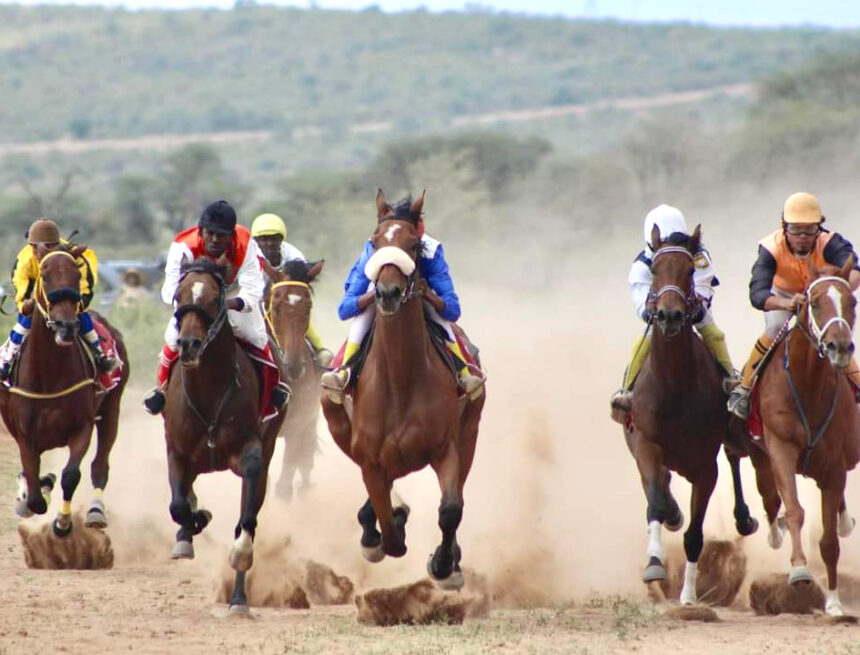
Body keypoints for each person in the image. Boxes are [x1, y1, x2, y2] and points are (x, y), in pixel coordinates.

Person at [320, 194, 483, 403]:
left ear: (416, 235)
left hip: (418, 297)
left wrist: (429, 295)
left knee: (443, 322)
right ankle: (342, 372)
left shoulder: (431, 251)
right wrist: (372, 294)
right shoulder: (371, 249)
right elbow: (344, 309)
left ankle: (465, 374)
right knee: (360, 321)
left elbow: (453, 310)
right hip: (380, 295)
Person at [142, 200, 289, 415]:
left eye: (221, 235)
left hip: (233, 295)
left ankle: (271, 391)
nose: (214, 239)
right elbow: (169, 290)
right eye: (209, 233)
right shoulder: (182, 245)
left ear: (232, 235)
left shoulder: (246, 244)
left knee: (256, 336)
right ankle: (161, 390)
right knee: (173, 338)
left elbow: (253, 290)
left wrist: (227, 304)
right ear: (201, 230)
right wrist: (191, 306)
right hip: (193, 299)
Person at [726, 192, 860, 419]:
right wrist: (787, 303)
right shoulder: (770, 247)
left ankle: (856, 382)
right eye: (795, 230)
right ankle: (745, 387)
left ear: (819, 228)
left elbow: (855, 269)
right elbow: (758, 294)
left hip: (822, 291)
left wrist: (837, 289)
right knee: (774, 328)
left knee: (836, 331)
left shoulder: (830, 242)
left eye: (809, 230)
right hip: (784, 294)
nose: (803, 237)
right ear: (784, 226)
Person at [610, 204, 735, 416]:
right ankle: (627, 390)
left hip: (693, 304)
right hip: (659, 310)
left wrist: (698, 306)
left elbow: (704, 283)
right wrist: (648, 311)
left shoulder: (698, 256)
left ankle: (731, 380)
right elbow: (640, 294)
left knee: (713, 334)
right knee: (644, 341)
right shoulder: (642, 264)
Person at [0, 218, 115, 381]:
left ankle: (100, 354)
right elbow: (20, 282)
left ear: (55, 244)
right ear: (31, 246)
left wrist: (78, 304)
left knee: (81, 317)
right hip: (40, 298)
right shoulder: (26, 258)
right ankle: (7, 359)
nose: (40, 252)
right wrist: (24, 303)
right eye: (35, 247)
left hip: (70, 296)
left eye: (50, 247)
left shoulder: (76, 256)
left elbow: (85, 286)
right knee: (25, 319)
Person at [250, 212, 332, 367]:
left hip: (284, 303)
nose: (268, 244)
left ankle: (319, 351)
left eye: (273, 239)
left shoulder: (294, 255)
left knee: (294, 312)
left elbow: (301, 283)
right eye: (264, 240)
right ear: (257, 242)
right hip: (255, 303)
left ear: (281, 240)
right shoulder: (250, 257)